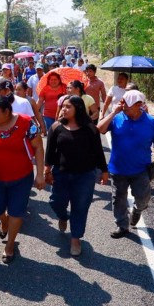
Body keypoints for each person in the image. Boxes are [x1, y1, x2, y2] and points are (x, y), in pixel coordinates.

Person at [0, 95, 46, 263]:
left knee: (16, 212)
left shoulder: (26, 123)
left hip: (21, 178)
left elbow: (38, 147)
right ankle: (4, 221)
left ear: (7, 111)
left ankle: (9, 245)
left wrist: (40, 174)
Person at [97, 90, 154, 238]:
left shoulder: (151, 122)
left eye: (127, 104)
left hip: (141, 170)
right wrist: (113, 112)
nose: (123, 106)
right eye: (122, 103)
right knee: (119, 198)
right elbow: (99, 129)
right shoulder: (117, 118)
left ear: (139, 105)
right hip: (118, 169)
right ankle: (122, 225)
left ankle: (137, 210)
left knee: (143, 198)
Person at [45, 95, 109, 256]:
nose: (64, 109)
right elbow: (50, 152)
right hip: (61, 174)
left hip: (85, 176)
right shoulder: (56, 127)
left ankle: (75, 239)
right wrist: (47, 171)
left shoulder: (90, 129)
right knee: (55, 202)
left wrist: (104, 171)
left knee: (80, 207)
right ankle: (63, 216)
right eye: (63, 106)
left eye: (68, 107)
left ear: (78, 109)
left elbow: (98, 152)